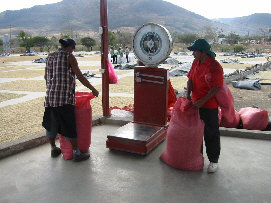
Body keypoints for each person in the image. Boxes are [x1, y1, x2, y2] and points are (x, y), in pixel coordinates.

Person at [42, 38, 99, 162]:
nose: (73, 51)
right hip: (64, 99)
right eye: (73, 48)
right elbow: (79, 76)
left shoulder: (50, 56)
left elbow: (46, 76)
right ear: (70, 47)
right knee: (69, 125)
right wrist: (93, 89)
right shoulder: (69, 57)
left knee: (51, 125)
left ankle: (53, 149)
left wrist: (52, 87)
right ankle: (77, 153)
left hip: (50, 97)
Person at [186, 39, 224, 173]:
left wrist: (202, 101)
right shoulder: (196, 62)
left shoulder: (215, 66)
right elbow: (190, 78)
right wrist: (188, 95)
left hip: (209, 106)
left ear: (202, 52)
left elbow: (216, 87)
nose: (193, 54)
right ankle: (198, 158)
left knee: (211, 133)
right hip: (195, 104)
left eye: (195, 51)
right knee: (196, 134)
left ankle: (213, 161)